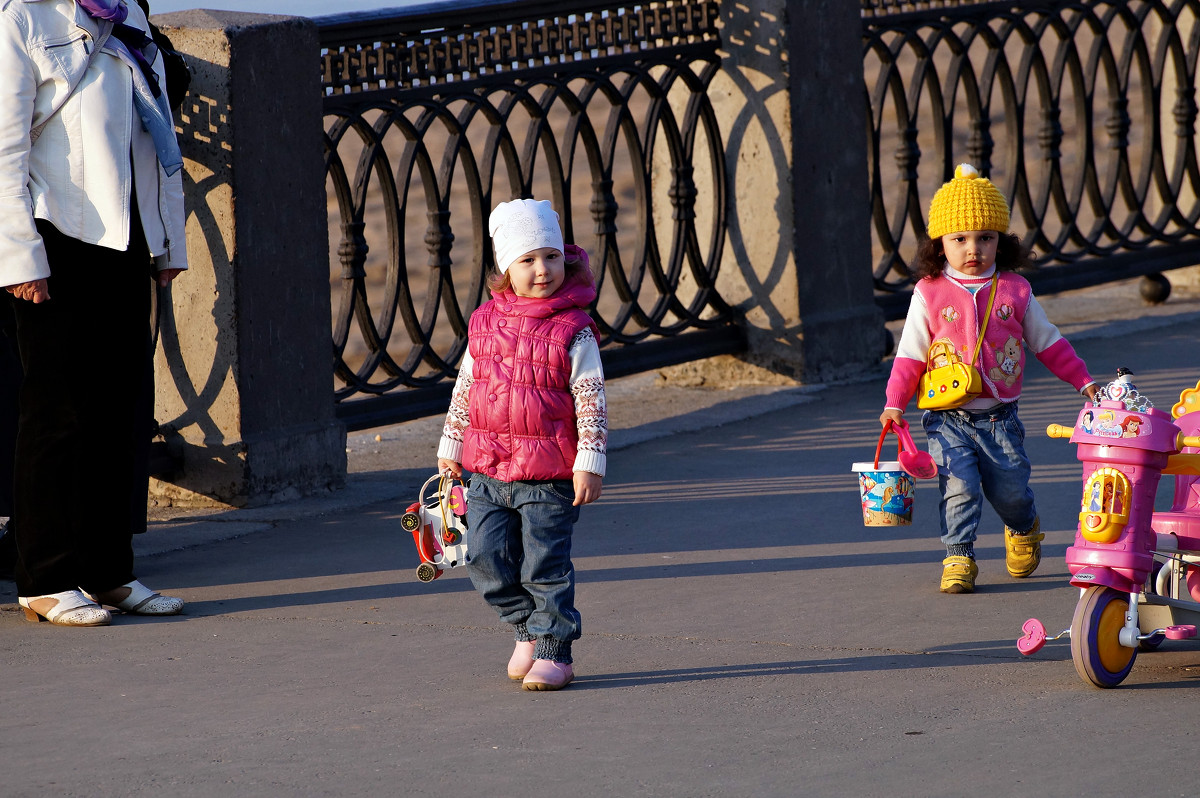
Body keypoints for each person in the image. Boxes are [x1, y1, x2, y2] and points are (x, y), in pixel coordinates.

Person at [0, 0, 188, 625]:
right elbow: (4, 151)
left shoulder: (129, 14)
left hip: (125, 235)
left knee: (118, 408)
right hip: (57, 234)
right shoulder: (23, 19)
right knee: (56, 411)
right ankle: (45, 579)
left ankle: (109, 572)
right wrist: (20, 257)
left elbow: (155, 129)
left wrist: (167, 242)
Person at [880, 164, 1098, 594]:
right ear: (940, 244)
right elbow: (910, 355)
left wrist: (1084, 381)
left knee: (1010, 489)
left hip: (999, 418)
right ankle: (958, 556)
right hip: (946, 417)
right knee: (959, 487)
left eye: (986, 237)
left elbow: (1047, 342)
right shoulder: (929, 292)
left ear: (1002, 240)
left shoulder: (1015, 290)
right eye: (959, 239)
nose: (973, 248)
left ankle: (1023, 526)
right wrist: (894, 403)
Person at [437, 199, 607, 691]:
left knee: (545, 566)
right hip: (487, 470)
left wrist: (589, 461)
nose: (542, 270)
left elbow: (590, 398)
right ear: (505, 267)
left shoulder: (574, 330)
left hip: (549, 475)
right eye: (528, 260)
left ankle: (556, 650)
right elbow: (466, 387)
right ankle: (525, 629)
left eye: (552, 257)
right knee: (485, 557)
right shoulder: (485, 322)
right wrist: (452, 442)